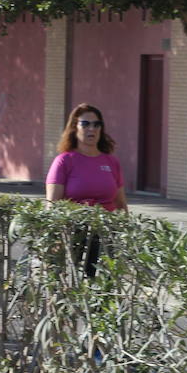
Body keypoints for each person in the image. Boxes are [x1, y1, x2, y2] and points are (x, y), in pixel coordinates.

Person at [46, 103, 128, 276]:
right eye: (85, 124)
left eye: (97, 124)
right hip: (74, 234)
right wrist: (55, 239)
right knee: (75, 285)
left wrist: (125, 233)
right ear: (74, 128)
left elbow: (120, 203)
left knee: (102, 287)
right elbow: (52, 204)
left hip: (106, 235)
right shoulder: (64, 161)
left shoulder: (111, 162)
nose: (92, 128)